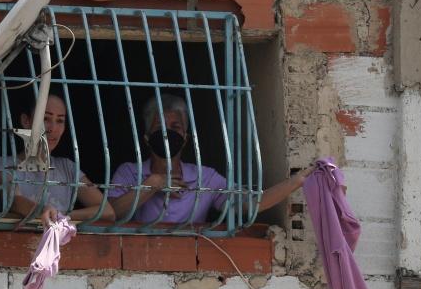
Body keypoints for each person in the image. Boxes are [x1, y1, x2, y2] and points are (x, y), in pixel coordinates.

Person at [108, 93, 312, 224]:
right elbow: (111, 213)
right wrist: (152, 184)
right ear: (146, 138)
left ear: (185, 138)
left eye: (175, 128)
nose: (166, 133)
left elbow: (249, 204)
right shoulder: (128, 172)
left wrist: (298, 181)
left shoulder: (204, 178)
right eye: (159, 128)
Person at [0, 92, 115, 223]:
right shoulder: (4, 164)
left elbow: (107, 211)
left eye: (60, 121)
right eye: (45, 119)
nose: (52, 128)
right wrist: (45, 211)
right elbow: (13, 201)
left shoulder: (67, 167)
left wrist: (60, 216)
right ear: (26, 121)